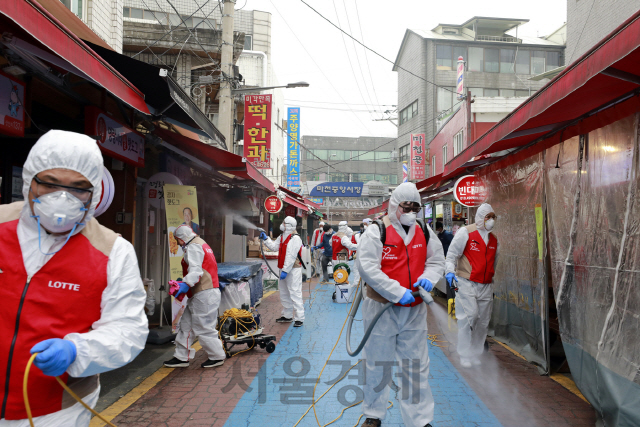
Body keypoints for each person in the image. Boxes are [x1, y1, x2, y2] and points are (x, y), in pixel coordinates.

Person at [0, 130, 148, 426]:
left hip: (60, 410)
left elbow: (128, 329)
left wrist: (77, 350)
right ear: (30, 181)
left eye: (79, 188)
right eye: (50, 183)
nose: (62, 199)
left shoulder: (113, 251)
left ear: (93, 194)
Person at [356, 182, 444, 427]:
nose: (411, 213)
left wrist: (429, 276)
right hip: (380, 311)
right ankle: (373, 415)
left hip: (414, 310)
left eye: (415, 208)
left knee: (415, 367)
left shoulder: (424, 231)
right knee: (377, 364)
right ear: (395, 206)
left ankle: (419, 420)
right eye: (407, 207)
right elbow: (367, 267)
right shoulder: (376, 231)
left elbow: (437, 260)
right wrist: (396, 292)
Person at [164, 225, 226, 369]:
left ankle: (217, 356)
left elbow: (196, 271)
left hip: (204, 292)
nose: (179, 244)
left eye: (178, 240)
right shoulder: (202, 243)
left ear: (182, 238)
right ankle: (181, 356)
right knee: (186, 324)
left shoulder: (193, 247)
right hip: (204, 292)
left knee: (204, 327)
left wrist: (185, 284)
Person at [445, 203, 499, 368]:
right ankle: (464, 354)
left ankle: (476, 353)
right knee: (469, 318)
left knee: (483, 322)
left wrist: (490, 278)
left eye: (492, 217)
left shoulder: (494, 240)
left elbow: (494, 263)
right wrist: (449, 271)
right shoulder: (466, 232)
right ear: (480, 217)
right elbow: (452, 254)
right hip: (466, 282)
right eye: (487, 217)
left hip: (486, 285)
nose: (490, 221)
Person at [259, 216, 305, 327]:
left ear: (288, 225)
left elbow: (291, 256)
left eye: (284, 223)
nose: (282, 224)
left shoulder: (295, 238)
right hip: (283, 269)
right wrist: (266, 239)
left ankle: (299, 317)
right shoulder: (282, 236)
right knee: (284, 293)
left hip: (293, 270)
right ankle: (287, 315)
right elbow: (274, 247)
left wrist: (285, 270)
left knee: (295, 293)